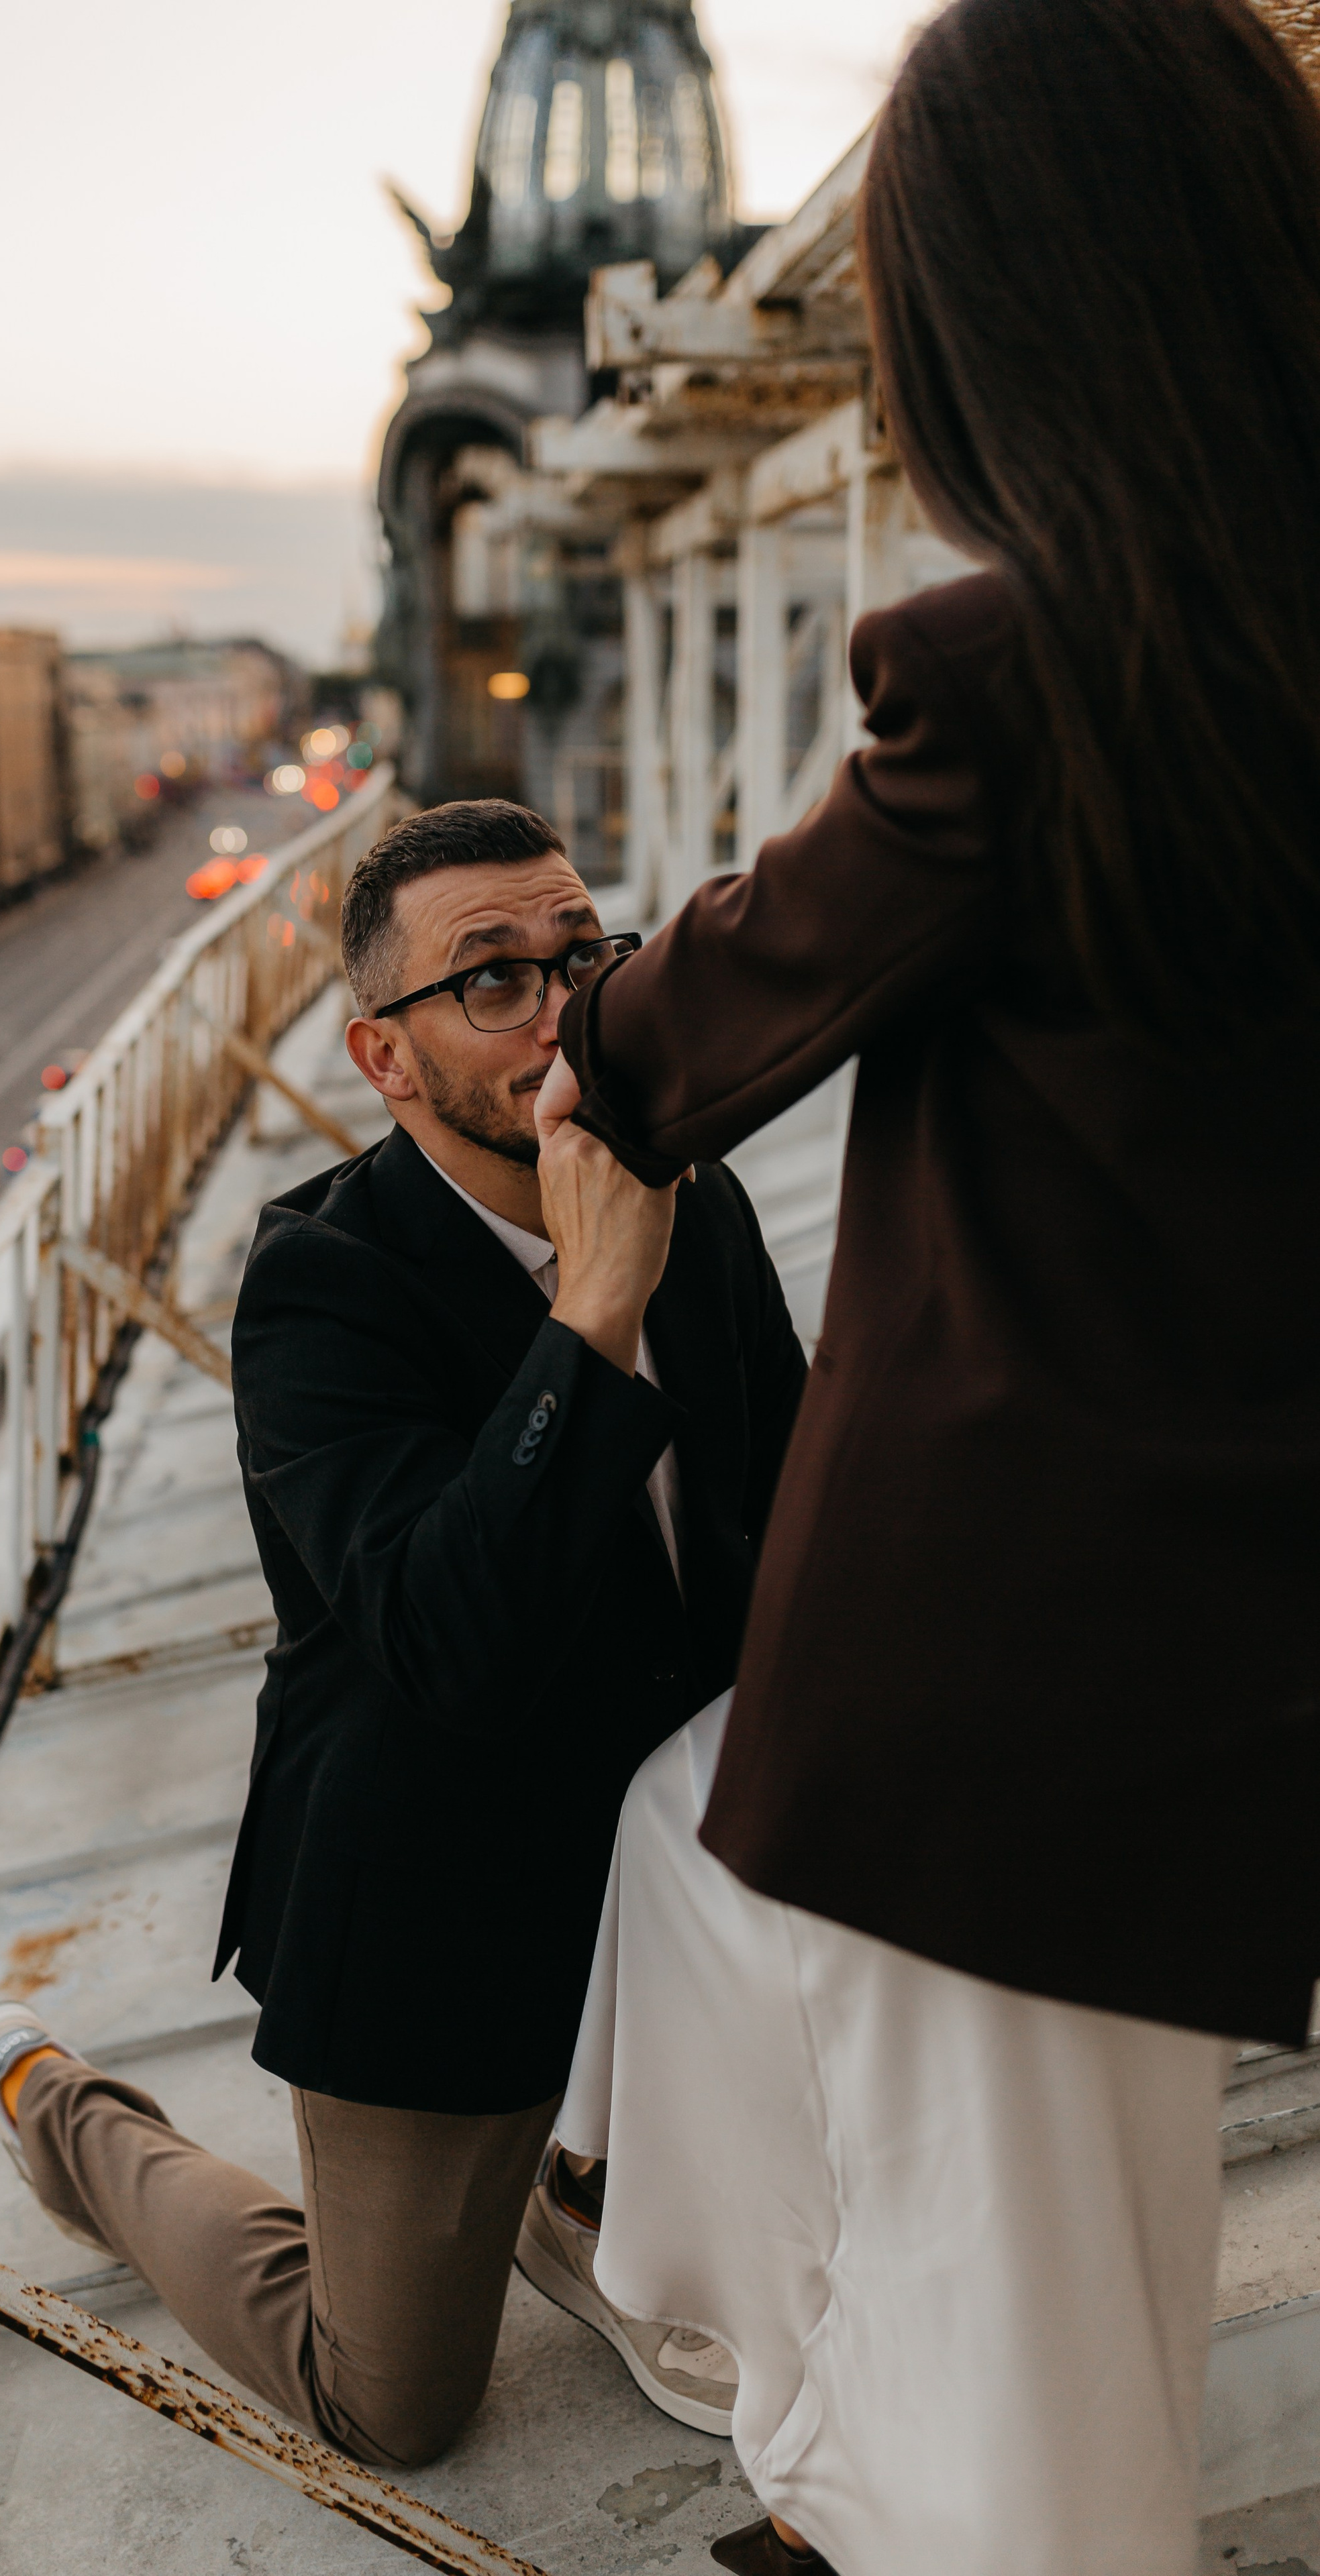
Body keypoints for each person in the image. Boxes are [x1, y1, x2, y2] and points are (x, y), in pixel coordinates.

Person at [536, 1, 1320, 2568]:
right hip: (1223, 1632)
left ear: (997, 319)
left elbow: (676, 1036)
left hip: (1015, 1663)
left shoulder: (1013, 679)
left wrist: (580, 1029)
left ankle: (884, 2488)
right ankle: (838, 2470)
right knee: (993, 2172)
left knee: (1030, 2332)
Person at [0, 797, 807, 2469]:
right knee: (392, 2406)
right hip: (445, 1889)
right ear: (384, 1057)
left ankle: (585, 2184)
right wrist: (591, 1310)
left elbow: (784, 1515)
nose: (562, 1012)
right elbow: (449, 1647)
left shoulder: (690, 1198)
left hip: (685, 1877)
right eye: (492, 979)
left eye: (585, 957)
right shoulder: (319, 1290)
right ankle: (63, 2112)